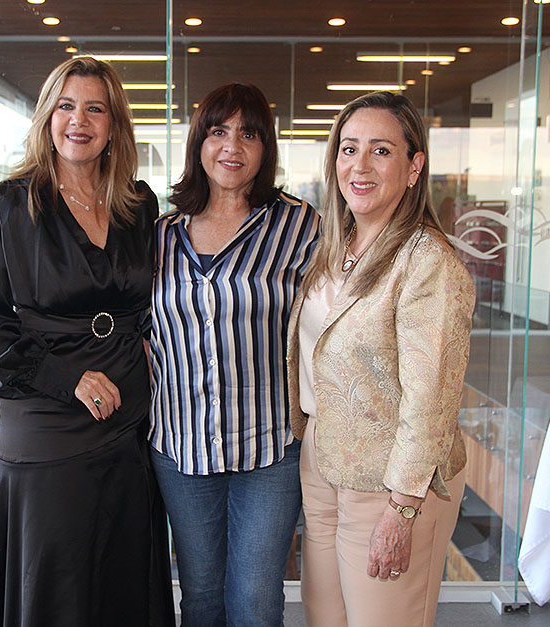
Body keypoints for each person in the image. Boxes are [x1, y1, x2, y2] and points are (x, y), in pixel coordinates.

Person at [0, 56, 174, 626]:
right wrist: (66, 379)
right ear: (47, 117)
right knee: (56, 582)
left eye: (95, 109)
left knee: (123, 577)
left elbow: (160, 298)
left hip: (128, 417)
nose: (79, 120)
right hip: (48, 419)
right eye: (66, 106)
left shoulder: (139, 205)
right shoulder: (11, 205)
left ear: (114, 125)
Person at [286, 91, 474, 626]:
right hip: (323, 459)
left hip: (392, 481)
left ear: (415, 167)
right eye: (349, 149)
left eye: (381, 150)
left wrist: (403, 508)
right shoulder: (334, 248)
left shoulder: (427, 261)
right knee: (324, 617)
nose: (360, 165)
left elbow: (431, 399)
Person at [148, 83, 319, 626]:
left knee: (255, 603)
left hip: (269, 448)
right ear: (199, 142)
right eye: (218, 131)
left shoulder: (300, 226)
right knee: (200, 597)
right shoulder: (158, 235)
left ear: (266, 147)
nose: (232, 146)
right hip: (181, 446)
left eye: (249, 134)